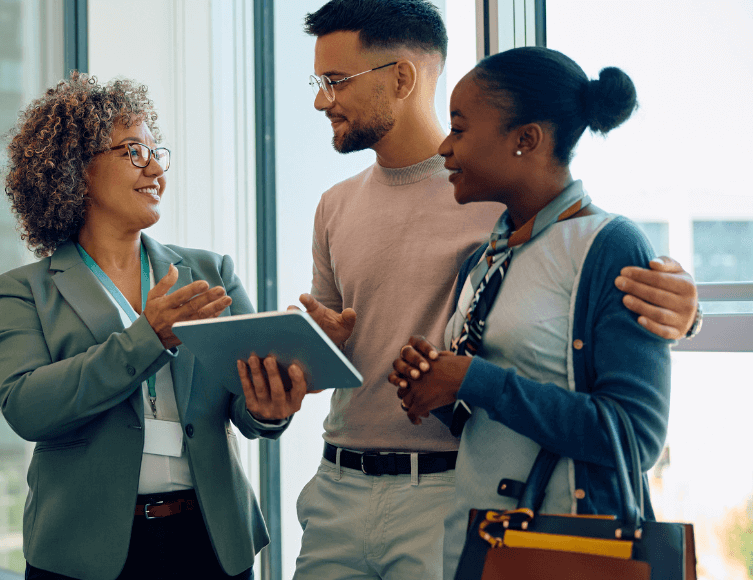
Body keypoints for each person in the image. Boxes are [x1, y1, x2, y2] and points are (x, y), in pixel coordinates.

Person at [280, 1, 701, 579]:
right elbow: (478, 376)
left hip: (475, 505)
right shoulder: (478, 240)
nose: (322, 100)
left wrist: (685, 311)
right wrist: (323, 349)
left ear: (401, 78)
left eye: (336, 82)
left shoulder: (532, 215)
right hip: (356, 491)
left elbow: (627, 415)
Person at [0, 72, 308, 580]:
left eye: (158, 153)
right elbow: (28, 408)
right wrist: (146, 338)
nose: (156, 168)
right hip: (83, 554)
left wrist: (270, 405)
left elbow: (248, 411)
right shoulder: (24, 290)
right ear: (77, 170)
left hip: (211, 543)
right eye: (134, 151)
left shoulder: (212, 271)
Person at [389, 46, 672, 579]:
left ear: (527, 139)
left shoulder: (610, 246)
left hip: (569, 548)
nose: (445, 148)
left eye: (460, 128)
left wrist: (476, 379)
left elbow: (635, 436)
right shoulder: (484, 258)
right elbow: (489, 413)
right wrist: (439, 386)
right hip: (478, 546)